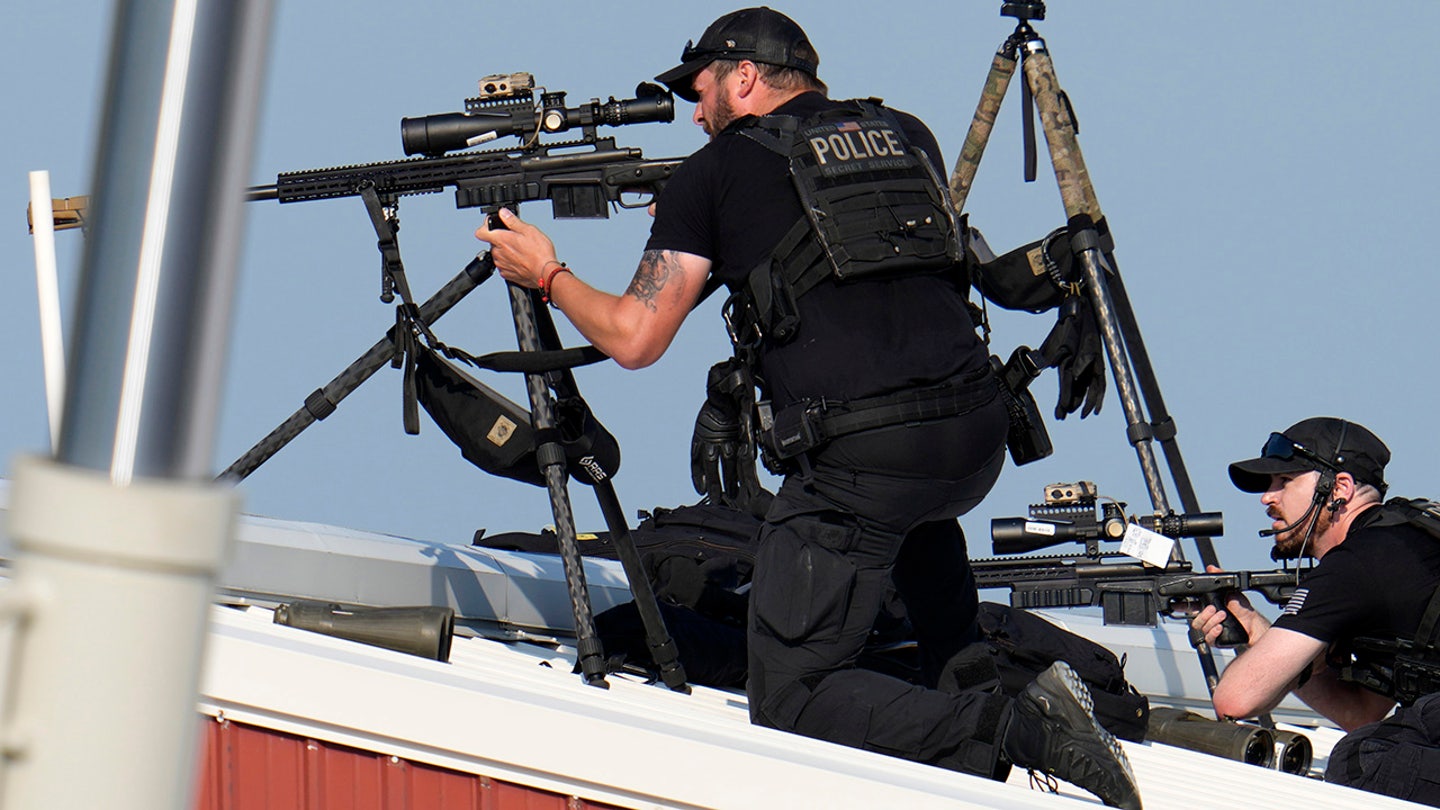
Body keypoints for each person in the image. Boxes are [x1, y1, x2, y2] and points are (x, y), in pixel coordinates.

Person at [477, 8, 1138, 807]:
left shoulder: (712, 175)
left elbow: (635, 336)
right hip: (971, 438)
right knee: (923, 560)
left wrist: (545, 271)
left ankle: (1022, 731)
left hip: (865, 460)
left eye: (701, 88)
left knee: (791, 698)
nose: (695, 111)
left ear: (744, 77)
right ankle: (980, 699)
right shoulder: (905, 134)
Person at [1194, 417, 1440, 804]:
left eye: (1284, 481)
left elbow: (1235, 699)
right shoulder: (1405, 536)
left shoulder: (1356, 562)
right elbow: (1364, 712)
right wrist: (1262, 636)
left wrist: (1261, 649)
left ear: (1339, 488)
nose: (1267, 498)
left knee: (1362, 760)